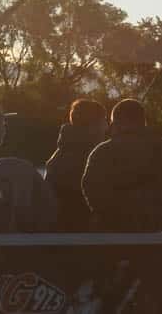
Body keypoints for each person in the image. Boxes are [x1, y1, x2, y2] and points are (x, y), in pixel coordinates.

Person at [81, 98, 162, 232]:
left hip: (117, 235)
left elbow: (92, 192)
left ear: (116, 123)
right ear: (143, 121)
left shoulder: (101, 153)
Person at [45, 98, 108, 232]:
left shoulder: (60, 153)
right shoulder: (94, 156)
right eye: (104, 122)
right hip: (79, 230)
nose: (107, 127)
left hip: (59, 228)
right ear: (92, 126)